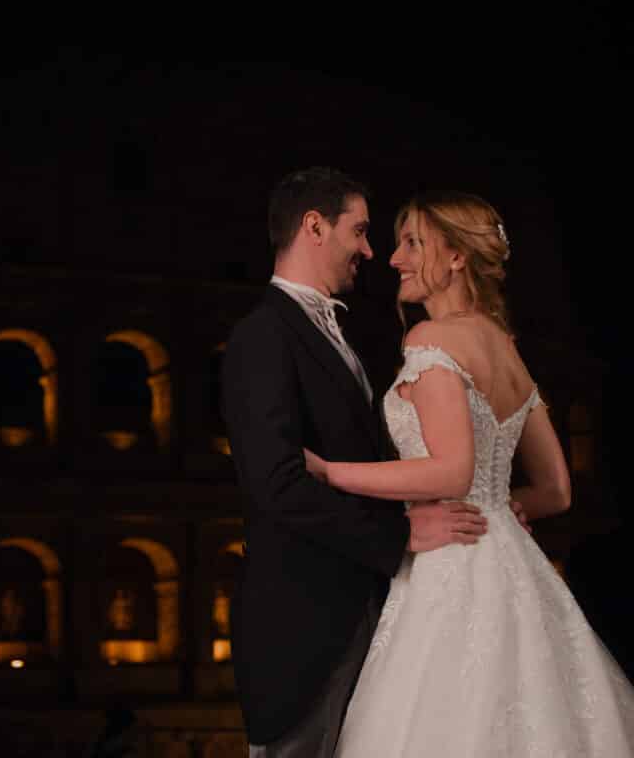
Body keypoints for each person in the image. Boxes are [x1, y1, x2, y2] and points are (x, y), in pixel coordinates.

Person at [300, 191, 634, 755]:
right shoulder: (503, 346)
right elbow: (556, 489)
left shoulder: (431, 339)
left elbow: (452, 474)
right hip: (510, 563)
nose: (394, 258)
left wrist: (331, 472)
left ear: (457, 257)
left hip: (452, 566)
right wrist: (505, 509)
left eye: (413, 244)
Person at [221, 168, 520, 757]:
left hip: (372, 611)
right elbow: (278, 486)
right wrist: (400, 533)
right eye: (358, 231)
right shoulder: (261, 335)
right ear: (314, 227)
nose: (370, 249)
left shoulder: (346, 335)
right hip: (304, 628)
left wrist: (485, 509)